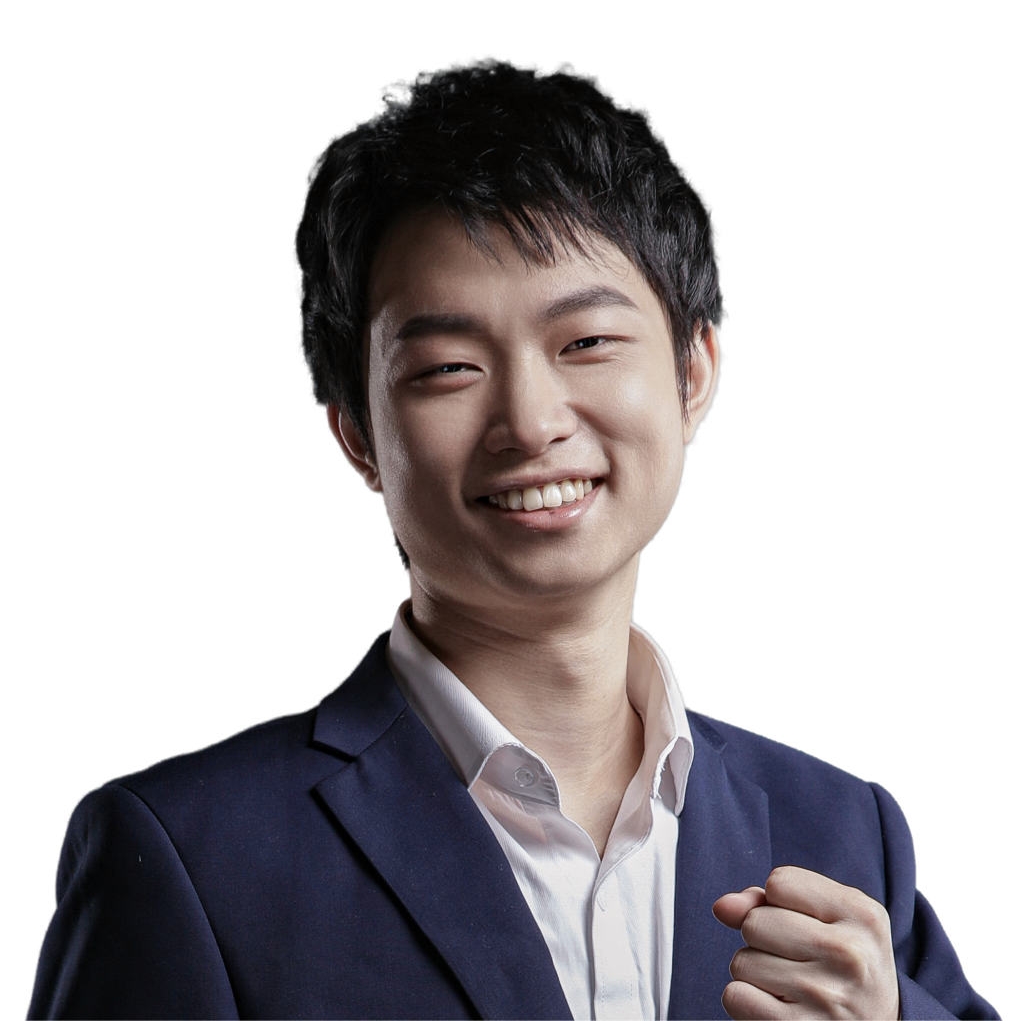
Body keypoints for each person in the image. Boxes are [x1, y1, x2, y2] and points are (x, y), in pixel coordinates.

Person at [28, 62, 998, 1021]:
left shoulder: (845, 830)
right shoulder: (190, 859)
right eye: (449, 367)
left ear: (694, 373)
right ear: (357, 435)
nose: (530, 423)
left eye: (586, 343)